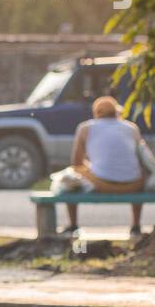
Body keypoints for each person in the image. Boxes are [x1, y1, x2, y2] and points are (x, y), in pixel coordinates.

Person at [54, 96, 148, 238]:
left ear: (96, 113)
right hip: (133, 184)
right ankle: (136, 226)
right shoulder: (131, 128)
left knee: (70, 176)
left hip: (102, 184)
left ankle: (73, 225)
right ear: (116, 112)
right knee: (136, 172)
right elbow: (139, 160)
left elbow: (76, 163)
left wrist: (92, 167)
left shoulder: (85, 127)